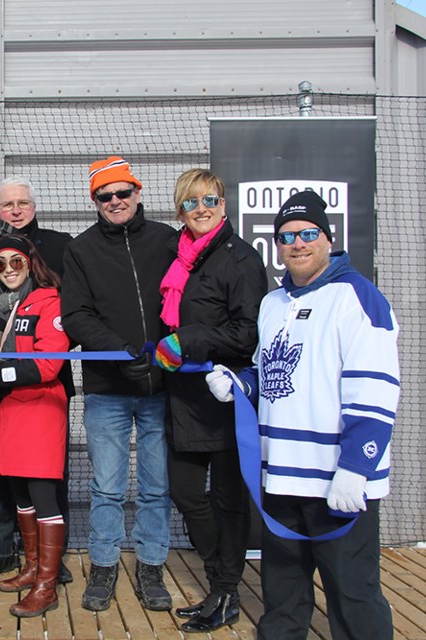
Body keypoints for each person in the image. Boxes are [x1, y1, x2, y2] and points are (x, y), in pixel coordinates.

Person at [206, 190, 400, 639]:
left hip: (337, 480)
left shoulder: (357, 298)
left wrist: (356, 467)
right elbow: (272, 373)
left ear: (328, 239)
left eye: (308, 234)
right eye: (287, 236)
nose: (297, 243)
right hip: (283, 479)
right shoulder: (274, 304)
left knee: (353, 592)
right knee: (283, 593)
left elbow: (374, 390)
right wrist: (239, 384)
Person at [153, 169, 267, 632]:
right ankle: (221, 582)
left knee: (227, 501)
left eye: (210, 201)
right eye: (190, 203)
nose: (201, 210)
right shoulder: (180, 257)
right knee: (184, 492)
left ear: (224, 204)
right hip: (182, 396)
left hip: (224, 398)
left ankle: (225, 590)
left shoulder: (239, 259)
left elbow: (247, 333)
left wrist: (189, 339)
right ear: (179, 210)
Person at [60, 156, 175, 612]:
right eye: (104, 196)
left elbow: (185, 301)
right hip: (108, 386)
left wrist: (166, 353)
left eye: (122, 193)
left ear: (137, 192)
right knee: (106, 486)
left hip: (161, 384)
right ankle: (104, 565)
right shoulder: (81, 249)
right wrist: (122, 351)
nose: (115, 201)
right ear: (95, 201)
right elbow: (76, 315)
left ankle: (151, 565)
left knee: (156, 485)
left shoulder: (169, 241)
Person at [0, 177, 74, 585]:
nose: (15, 209)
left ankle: (49, 564)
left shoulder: (59, 246)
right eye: (8, 204)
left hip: (39, 391)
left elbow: (69, 312)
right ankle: (2, 554)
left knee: (45, 481)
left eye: (23, 202)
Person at [0, 235, 69, 617]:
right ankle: (31, 568)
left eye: (17, 262)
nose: (10, 270)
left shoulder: (49, 300)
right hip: (8, 411)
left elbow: (48, 364)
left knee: (43, 496)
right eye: (1, 264)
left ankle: (47, 585)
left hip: (40, 409)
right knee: (21, 495)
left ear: (31, 263)